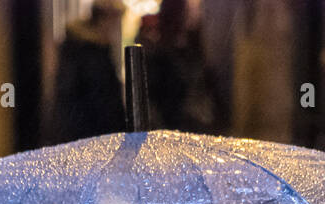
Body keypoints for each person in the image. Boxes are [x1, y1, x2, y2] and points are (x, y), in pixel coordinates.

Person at [137, 0, 219, 133]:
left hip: (192, 124)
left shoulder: (190, 48)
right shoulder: (162, 54)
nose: (194, 14)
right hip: (174, 125)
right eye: (189, 11)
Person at [51, 0, 126, 143]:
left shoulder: (98, 48)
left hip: (92, 133)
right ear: (104, 19)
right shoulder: (87, 51)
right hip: (89, 134)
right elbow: (75, 96)